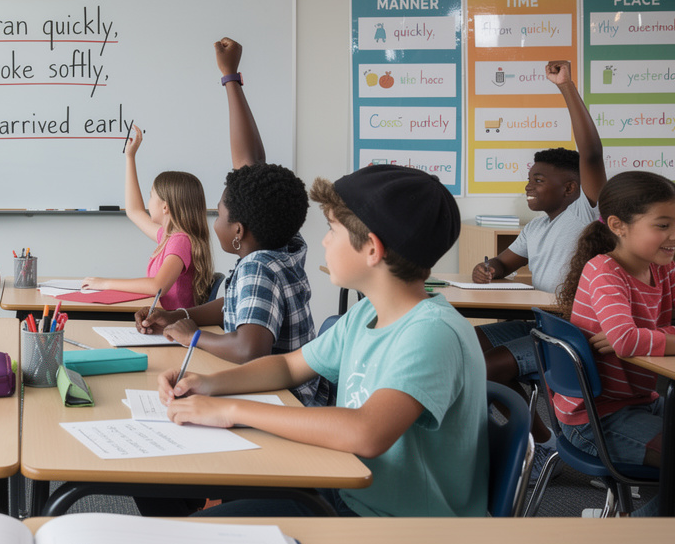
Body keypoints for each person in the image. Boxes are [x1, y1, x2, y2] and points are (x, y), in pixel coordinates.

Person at [170, 164, 488, 518]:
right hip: (343, 489)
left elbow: (367, 432)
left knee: (198, 530)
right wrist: (208, 384)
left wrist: (230, 410)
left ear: (371, 249)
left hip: (393, 525)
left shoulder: (432, 333)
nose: (323, 241)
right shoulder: (365, 313)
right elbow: (288, 365)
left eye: (332, 230)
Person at [136, 38, 321, 406]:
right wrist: (175, 316)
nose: (214, 220)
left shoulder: (258, 268)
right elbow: (234, 306)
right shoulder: (281, 244)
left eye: (219, 214)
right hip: (283, 391)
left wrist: (192, 336)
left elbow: (250, 349)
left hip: (284, 399)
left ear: (239, 231)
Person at [552, 171, 675, 500]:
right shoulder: (604, 271)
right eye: (662, 225)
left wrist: (648, 335)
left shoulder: (664, 268)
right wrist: (645, 338)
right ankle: (640, 528)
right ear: (618, 225)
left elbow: (631, 339)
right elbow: (625, 342)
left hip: (643, 403)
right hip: (596, 419)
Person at [471, 61, 605, 388]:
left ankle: (530, 422)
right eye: (530, 179)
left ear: (570, 188)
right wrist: (488, 269)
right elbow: (504, 262)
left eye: (539, 180)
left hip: (574, 331)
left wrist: (565, 86)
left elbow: (591, 154)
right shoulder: (536, 228)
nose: (528, 186)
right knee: (464, 344)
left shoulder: (586, 211)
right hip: (541, 324)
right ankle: (529, 418)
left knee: (484, 368)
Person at [80, 126, 214, 310]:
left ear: (165, 207)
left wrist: (105, 283)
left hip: (170, 324)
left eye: (151, 196)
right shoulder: (167, 237)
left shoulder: (180, 241)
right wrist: (130, 157)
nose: (148, 202)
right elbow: (134, 211)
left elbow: (157, 286)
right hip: (163, 319)